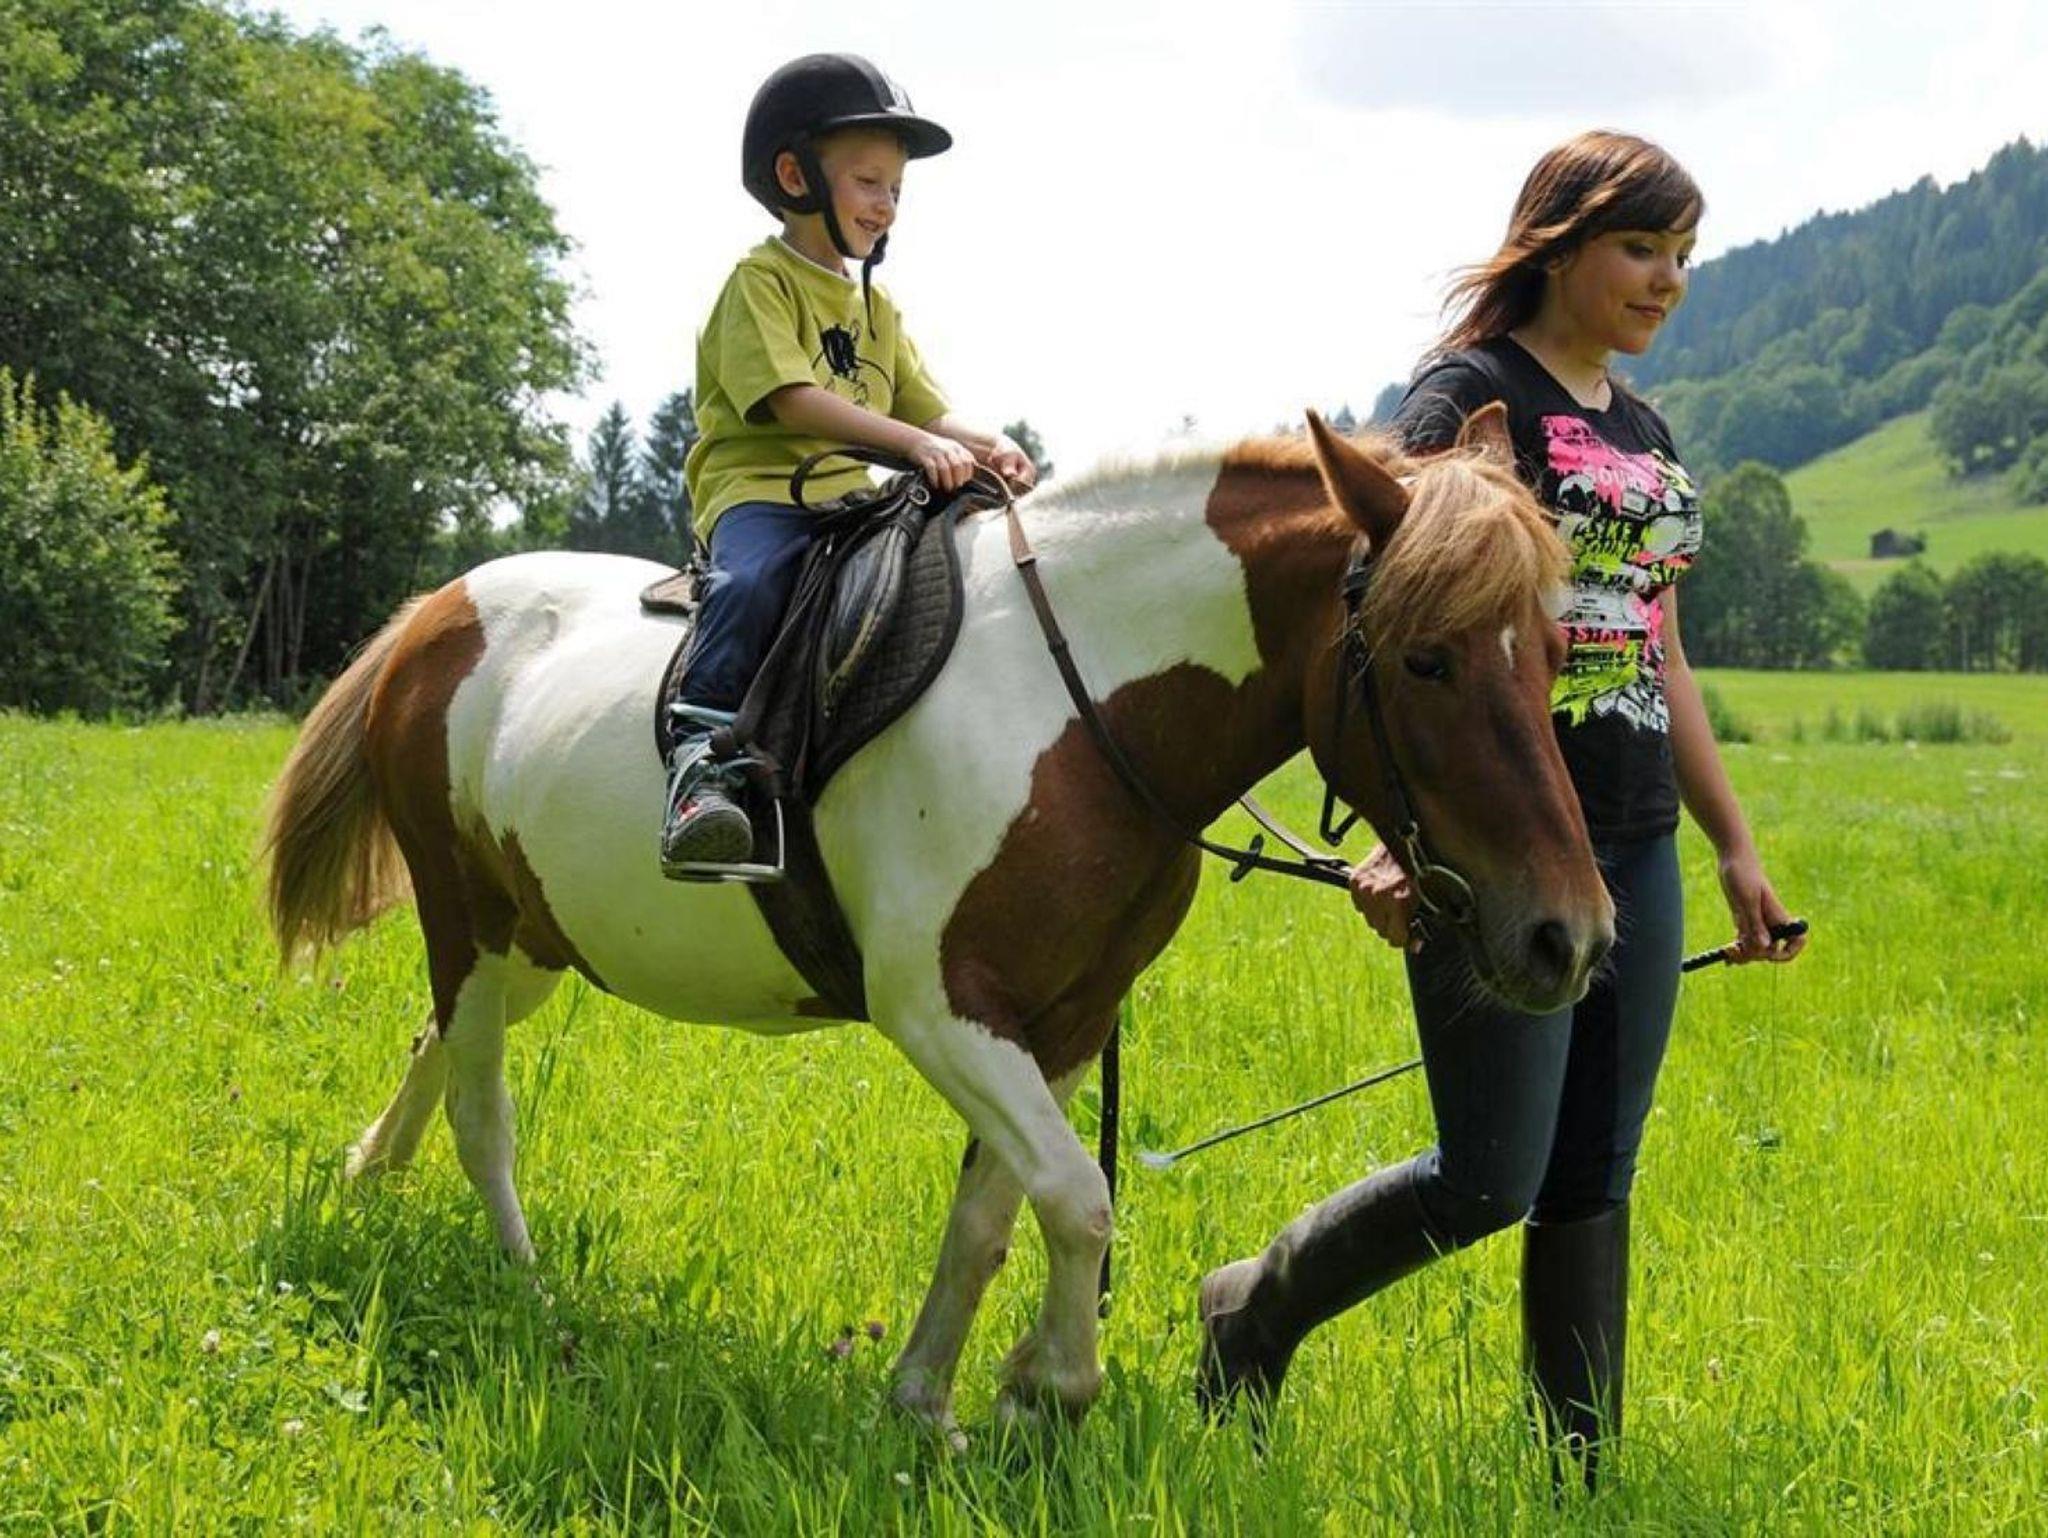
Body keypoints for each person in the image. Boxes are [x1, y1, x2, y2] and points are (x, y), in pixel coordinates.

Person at [1195, 130, 1807, 1486]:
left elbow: (1661, 649)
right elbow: (1396, 614)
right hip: (1496, 823)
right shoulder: (1469, 395)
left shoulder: (1645, 431)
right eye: (1640, 248)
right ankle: (1253, 1306)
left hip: (1630, 833)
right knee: (1488, 1176)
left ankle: (1575, 1475)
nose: (1667, 280)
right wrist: (1389, 840)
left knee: (1593, 1171)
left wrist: (1733, 845)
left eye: (1682, 255)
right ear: (1558, 246)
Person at [661, 52, 1036, 872]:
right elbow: (794, 401)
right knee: (750, 583)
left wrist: (989, 443)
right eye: (868, 182)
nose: (886, 204)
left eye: (896, 189)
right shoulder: (758, 282)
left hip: (851, 501)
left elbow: (924, 408)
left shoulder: (877, 305)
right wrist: (914, 446)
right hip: (762, 494)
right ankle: (699, 764)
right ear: (795, 177)